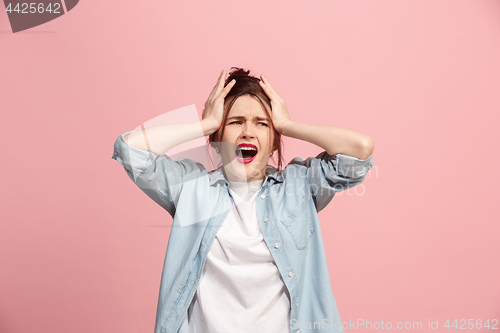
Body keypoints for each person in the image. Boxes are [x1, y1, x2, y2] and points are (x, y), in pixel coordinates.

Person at [111, 67, 375, 333]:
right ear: (217, 138)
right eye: (236, 121)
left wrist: (287, 125)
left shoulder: (300, 185)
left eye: (262, 123)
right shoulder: (191, 188)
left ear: (273, 142)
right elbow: (130, 149)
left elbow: (360, 150)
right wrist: (204, 125)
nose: (248, 132)